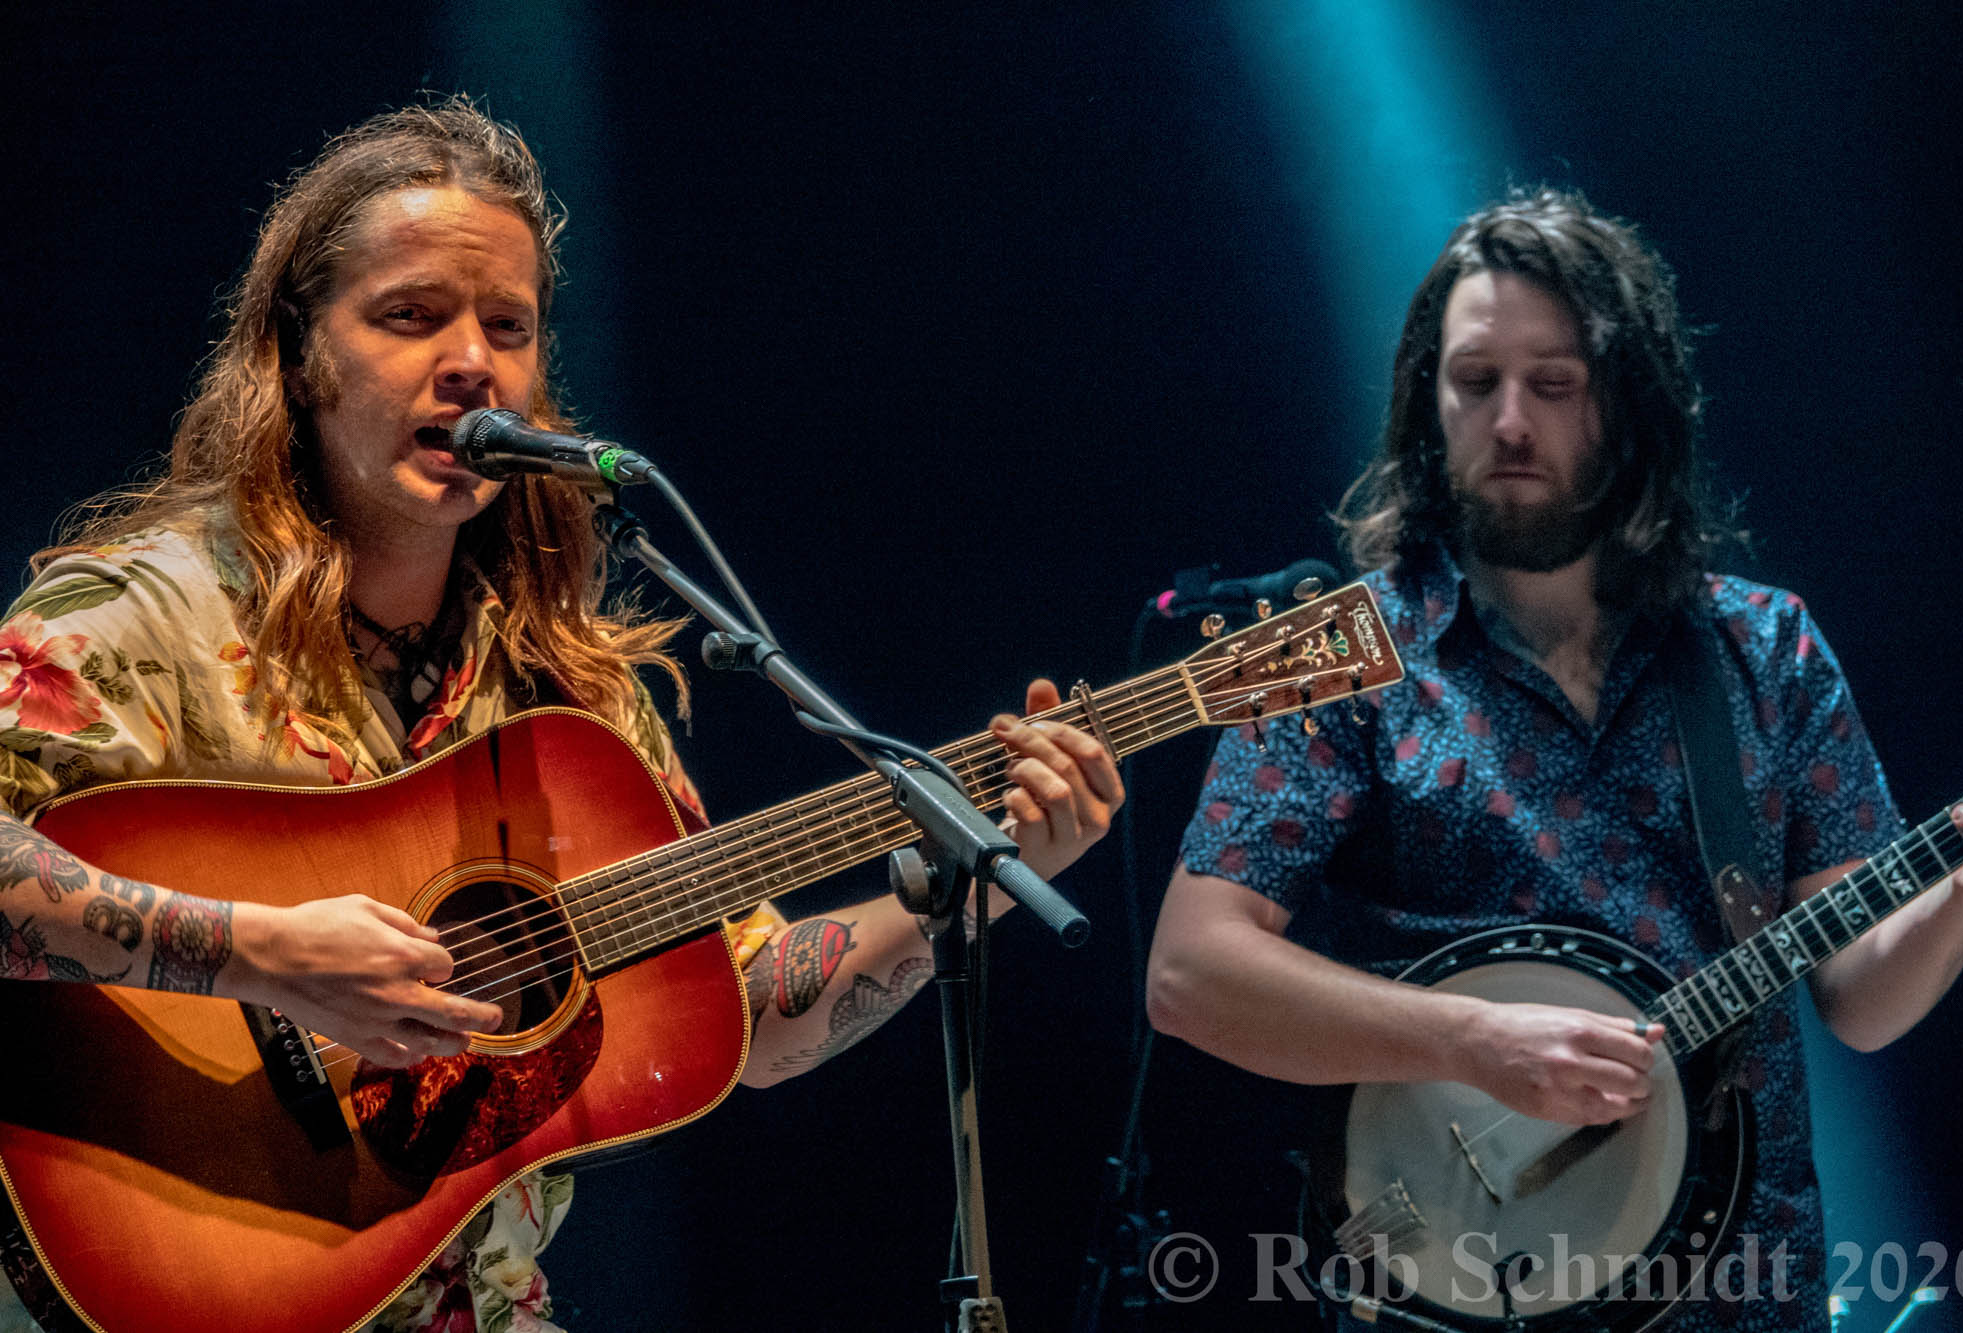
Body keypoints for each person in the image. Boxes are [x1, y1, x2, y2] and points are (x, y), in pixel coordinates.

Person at [0, 98, 1122, 1333]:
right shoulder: (147, 615)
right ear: (300, 358)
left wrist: (957, 886)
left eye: (509, 326)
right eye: (410, 315)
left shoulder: (572, 700)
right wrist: (257, 951)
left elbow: (749, 1009)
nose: (472, 360)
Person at [1147, 190, 1963, 1330]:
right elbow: (1189, 974)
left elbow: (1859, 998)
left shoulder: (1764, 645)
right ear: (1425, 401)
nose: (1507, 422)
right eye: (1473, 381)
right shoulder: (1333, 656)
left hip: (1738, 1295)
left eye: (1552, 385)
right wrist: (1473, 1043)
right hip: (1444, 1294)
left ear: (1627, 404)